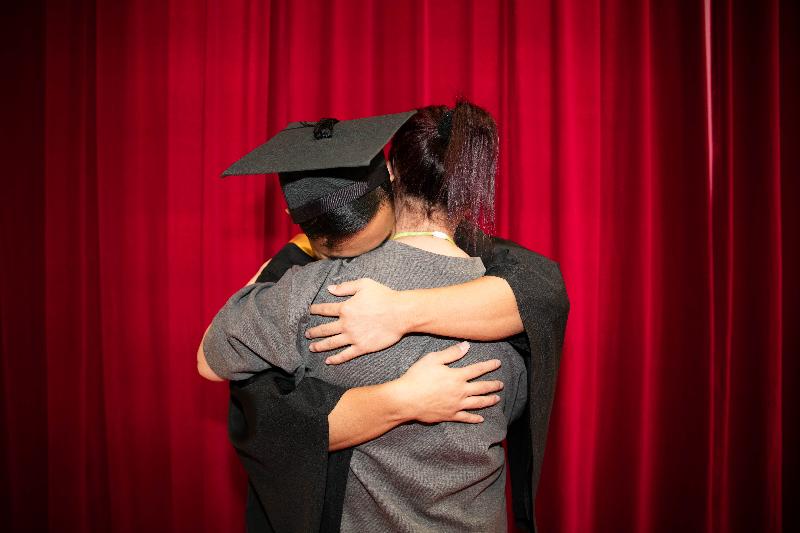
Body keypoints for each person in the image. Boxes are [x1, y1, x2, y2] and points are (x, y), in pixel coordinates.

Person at [200, 102, 569, 532]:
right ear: (466, 189)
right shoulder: (519, 311)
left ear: (390, 173)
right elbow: (515, 412)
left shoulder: (316, 290)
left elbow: (211, 360)